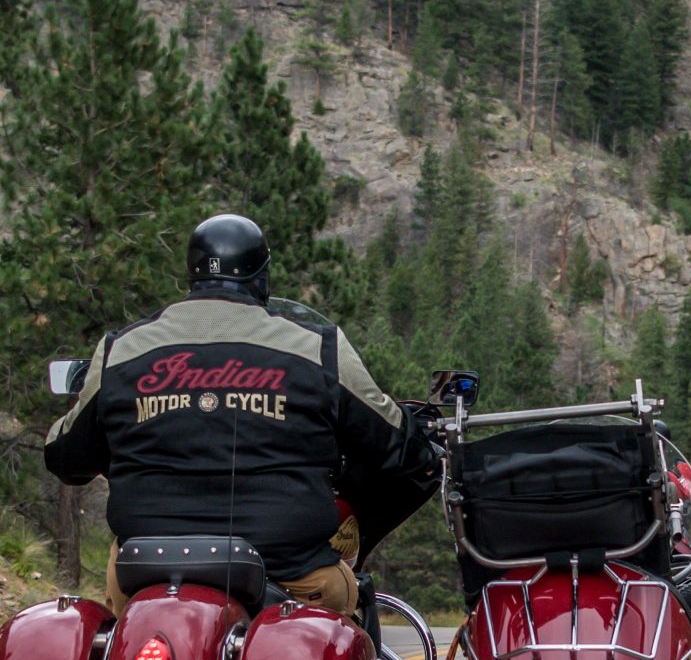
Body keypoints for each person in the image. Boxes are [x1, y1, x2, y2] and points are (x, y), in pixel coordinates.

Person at [44, 212, 436, 614]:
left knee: (115, 628)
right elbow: (391, 439)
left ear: (191, 276)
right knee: (351, 603)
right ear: (262, 279)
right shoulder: (316, 348)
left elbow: (64, 455)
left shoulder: (123, 349)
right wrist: (418, 435)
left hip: (147, 569)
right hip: (288, 572)